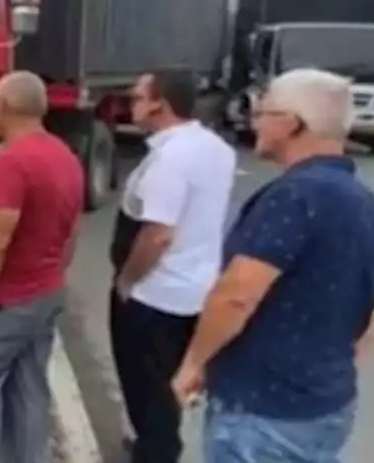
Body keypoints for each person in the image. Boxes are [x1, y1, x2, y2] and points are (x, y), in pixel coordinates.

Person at [172, 69, 374, 463]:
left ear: (293, 124)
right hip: (327, 407)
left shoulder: (293, 198)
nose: (255, 119)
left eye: (264, 110)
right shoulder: (373, 210)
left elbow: (236, 296)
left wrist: (195, 362)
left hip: (262, 413)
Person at [0, 71, 84, 463]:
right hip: (44, 294)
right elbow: (72, 233)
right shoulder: (65, 158)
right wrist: (51, 276)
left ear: (2, 107)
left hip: (5, 302)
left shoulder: (11, 163)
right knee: (29, 393)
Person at [110, 70, 236, 463]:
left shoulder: (171, 159)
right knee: (168, 386)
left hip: (154, 296)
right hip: (196, 289)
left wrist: (128, 282)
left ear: (158, 104)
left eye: (136, 98)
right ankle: (158, 441)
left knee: (146, 388)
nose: (131, 105)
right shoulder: (215, 147)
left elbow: (158, 234)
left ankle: (156, 450)